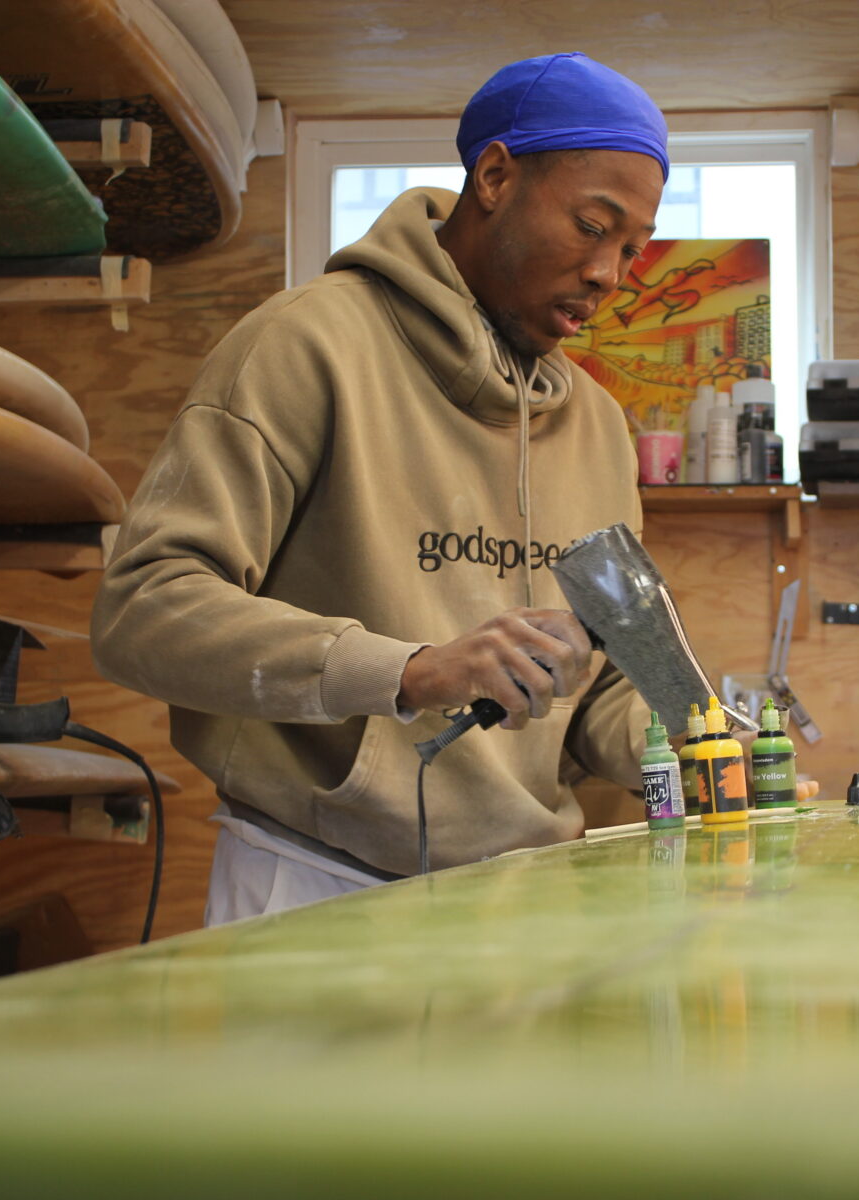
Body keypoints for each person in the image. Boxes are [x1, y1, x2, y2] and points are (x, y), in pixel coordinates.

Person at [91, 53, 667, 924]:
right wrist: (410, 669)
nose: (608, 274)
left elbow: (597, 689)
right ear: (496, 176)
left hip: (523, 903)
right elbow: (144, 611)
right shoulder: (306, 344)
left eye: (631, 249)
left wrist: (689, 749)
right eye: (593, 226)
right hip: (315, 878)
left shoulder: (597, 428)